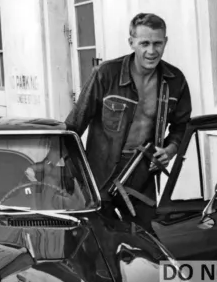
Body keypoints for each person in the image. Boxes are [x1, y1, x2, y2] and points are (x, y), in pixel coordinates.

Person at [64, 12, 192, 233]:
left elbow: (181, 125)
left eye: (157, 43)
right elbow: (74, 126)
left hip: (142, 172)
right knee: (98, 236)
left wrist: (170, 149)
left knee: (144, 237)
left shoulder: (175, 81)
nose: (151, 51)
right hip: (100, 171)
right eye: (144, 43)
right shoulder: (106, 74)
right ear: (131, 42)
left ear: (165, 42)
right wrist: (68, 174)